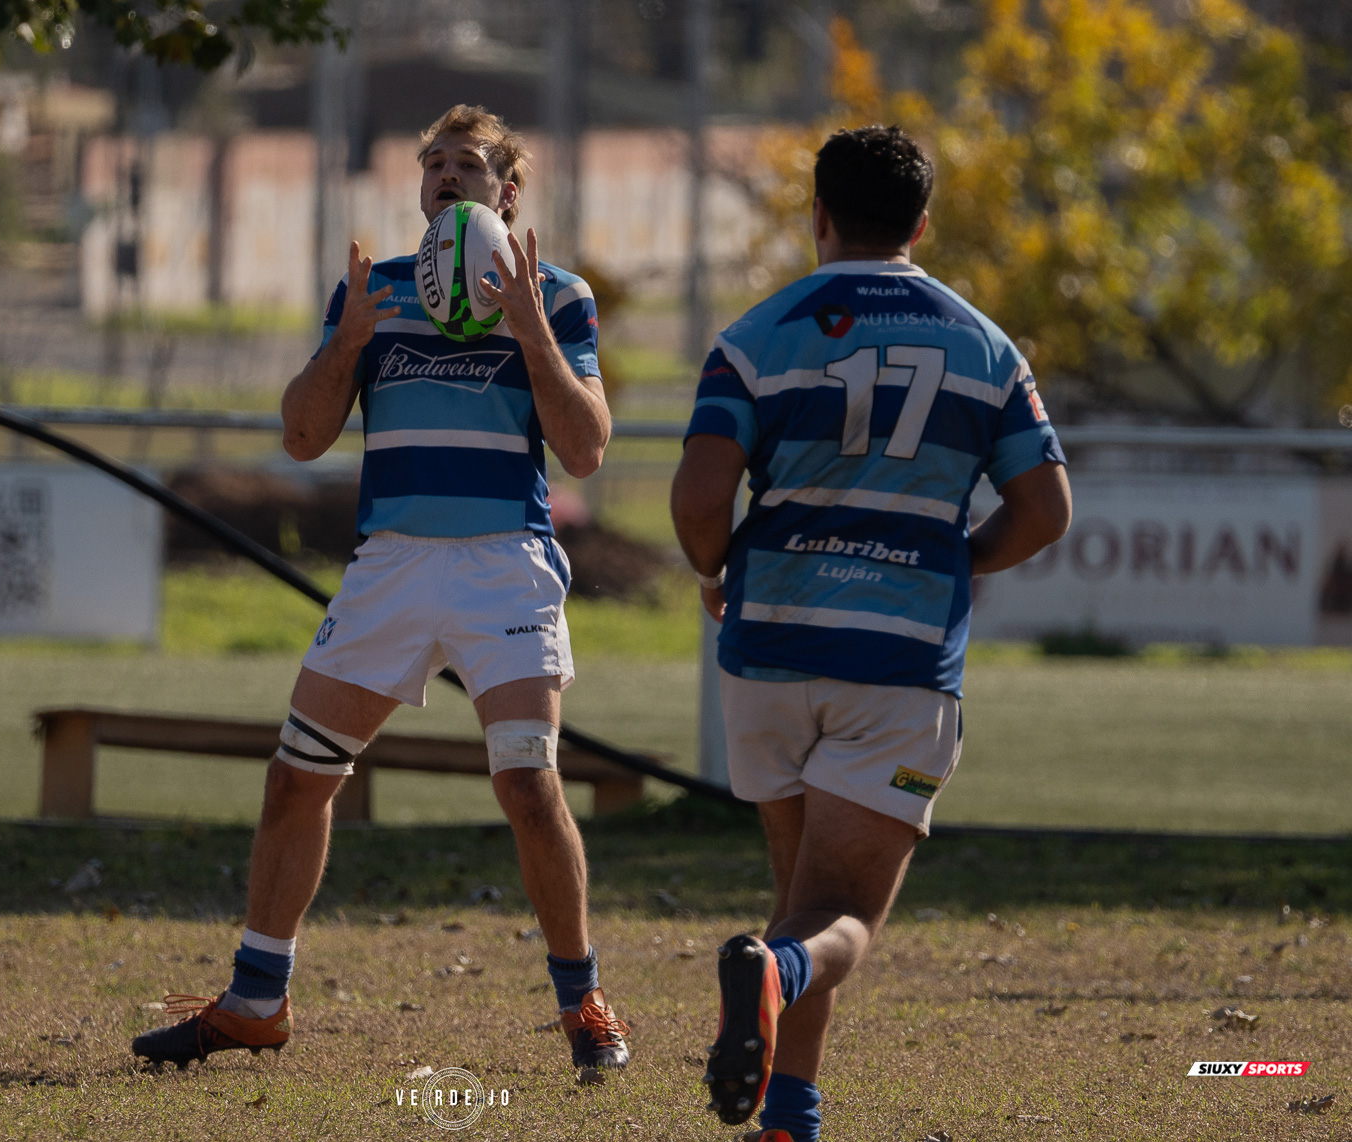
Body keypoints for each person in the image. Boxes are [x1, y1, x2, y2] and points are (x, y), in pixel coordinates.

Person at [130, 104, 629, 1074]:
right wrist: (347, 341)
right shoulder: (375, 290)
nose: (446, 175)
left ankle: (585, 1006)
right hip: (390, 564)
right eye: (433, 162)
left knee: (528, 783)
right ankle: (257, 999)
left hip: (503, 565)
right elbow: (302, 435)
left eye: (470, 164)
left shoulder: (557, 294)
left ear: (508, 191)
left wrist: (529, 331)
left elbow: (587, 448)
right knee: (296, 776)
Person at [669, 125, 1072, 1141]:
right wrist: (955, 560)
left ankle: (788, 1116)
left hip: (768, 652)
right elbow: (1046, 506)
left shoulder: (756, 334)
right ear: (923, 223)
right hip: (895, 662)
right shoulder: (985, 344)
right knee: (835, 917)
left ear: (818, 215)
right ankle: (778, 975)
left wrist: (716, 567)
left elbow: (700, 492)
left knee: (801, 889)